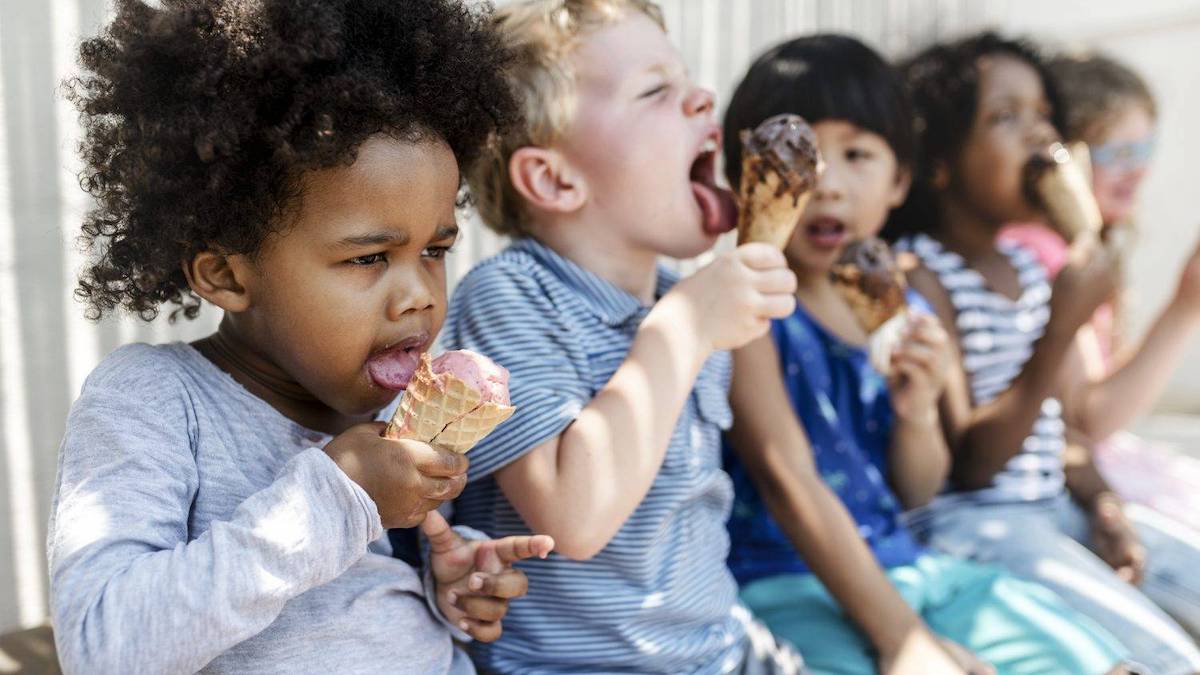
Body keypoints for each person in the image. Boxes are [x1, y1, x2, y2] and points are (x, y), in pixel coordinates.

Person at [47, 1, 552, 672]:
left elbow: (340, 614)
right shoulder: (153, 399)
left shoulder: (382, 413)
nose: (421, 293)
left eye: (435, 248)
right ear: (226, 273)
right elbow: (103, 642)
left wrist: (442, 583)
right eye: (369, 257)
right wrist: (341, 496)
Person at [721, 34, 1130, 675]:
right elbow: (786, 480)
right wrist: (903, 640)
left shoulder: (904, 309)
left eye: (857, 154)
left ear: (899, 181)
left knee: (1105, 664)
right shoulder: (745, 308)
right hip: (788, 582)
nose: (826, 184)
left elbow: (919, 487)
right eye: (798, 159)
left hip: (917, 567)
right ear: (745, 179)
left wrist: (915, 414)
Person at [439, 0, 804, 672]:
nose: (703, 98)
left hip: (721, 649)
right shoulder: (511, 298)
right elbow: (573, 519)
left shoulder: (679, 297)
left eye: (689, 79)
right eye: (656, 90)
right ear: (554, 178)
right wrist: (685, 329)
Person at [886, 31, 1200, 673]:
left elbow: (1063, 432)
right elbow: (971, 465)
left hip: (1051, 506)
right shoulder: (923, 276)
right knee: (1164, 660)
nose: (1038, 135)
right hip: (976, 527)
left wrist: (1103, 505)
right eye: (1006, 118)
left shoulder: (1028, 270)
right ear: (938, 160)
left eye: (1043, 117)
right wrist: (1061, 328)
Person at [1000, 53, 1200, 535]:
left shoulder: (1081, 245)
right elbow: (1090, 419)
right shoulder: (1043, 253)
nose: (1138, 171)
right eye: (1116, 154)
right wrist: (1186, 305)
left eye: (1145, 150)